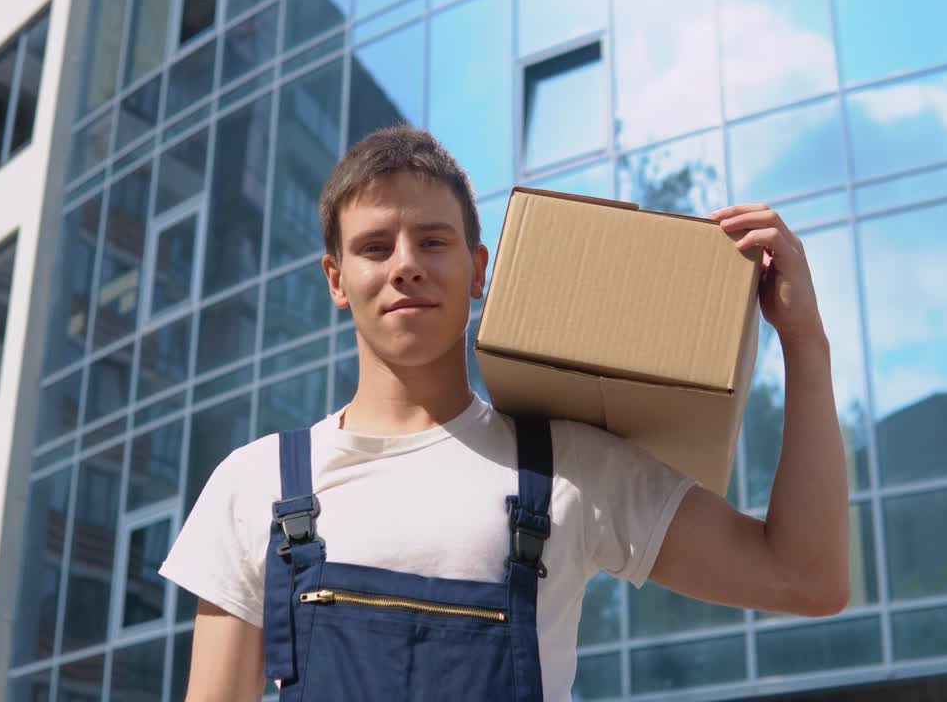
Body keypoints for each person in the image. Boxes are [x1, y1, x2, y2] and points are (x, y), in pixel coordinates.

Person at [159, 126, 848, 701]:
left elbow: (807, 580)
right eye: (375, 246)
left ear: (479, 268)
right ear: (337, 279)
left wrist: (805, 344)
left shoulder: (571, 470)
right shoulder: (255, 487)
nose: (405, 265)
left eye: (432, 241)